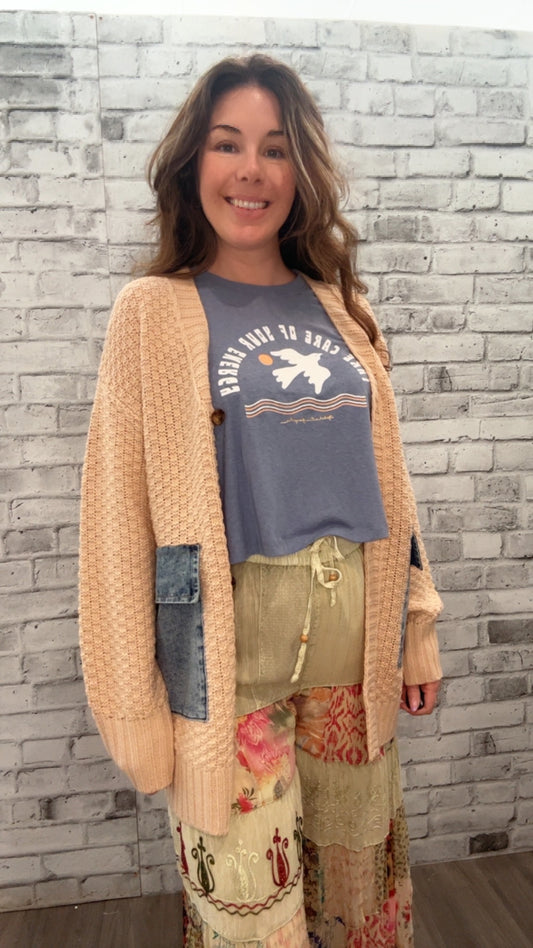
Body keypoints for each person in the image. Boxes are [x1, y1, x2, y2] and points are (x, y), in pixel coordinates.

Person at [79, 53, 443, 947]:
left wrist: (416, 627)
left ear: (299, 171)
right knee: (251, 923)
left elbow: (391, 484)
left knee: (360, 907)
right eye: (227, 144)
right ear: (191, 164)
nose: (251, 170)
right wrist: (130, 705)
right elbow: (116, 524)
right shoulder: (150, 312)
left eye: (275, 149)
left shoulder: (343, 306)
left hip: (355, 643)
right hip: (225, 657)